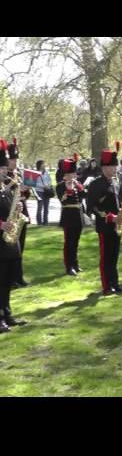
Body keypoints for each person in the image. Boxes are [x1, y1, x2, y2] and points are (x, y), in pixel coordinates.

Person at [86, 142, 122, 296]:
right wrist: (110, 217)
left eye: (115, 166)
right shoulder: (95, 184)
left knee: (114, 256)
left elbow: (118, 200)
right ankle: (107, 286)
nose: (115, 169)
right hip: (105, 225)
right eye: (113, 166)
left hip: (117, 224)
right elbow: (91, 207)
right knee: (106, 257)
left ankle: (115, 283)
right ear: (105, 168)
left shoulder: (116, 182)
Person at [0, 139, 27, 332]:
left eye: (4, 168)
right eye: (1, 169)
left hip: (9, 242)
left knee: (8, 279)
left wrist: (17, 208)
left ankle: (7, 313)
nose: (4, 171)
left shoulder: (6, 190)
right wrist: (2, 224)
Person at [56, 158, 86, 276]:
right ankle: (69, 266)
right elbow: (62, 200)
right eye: (72, 174)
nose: (75, 175)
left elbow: (83, 195)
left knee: (76, 241)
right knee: (69, 242)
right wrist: (68, 190)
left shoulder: (77, 184)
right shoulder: (60, 186)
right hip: (68, 215)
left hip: (78, 215)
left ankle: (75, 263)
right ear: (66, 175)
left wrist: (80, 187)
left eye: (75, 173)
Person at [6, 138, 29, 287]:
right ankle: (11, 278)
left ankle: (19, 276)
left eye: (16, 159)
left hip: (21, 213)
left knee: (20, 247)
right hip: (9, 214)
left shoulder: (18, 174)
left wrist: (26, 191)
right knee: (10, 249)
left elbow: (25, 196)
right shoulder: (4, 176)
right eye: (12, 159)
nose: (15, 162)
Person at [35, 159, 53, 226]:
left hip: (47, 192)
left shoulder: (46, 172)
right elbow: (35, 183)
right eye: (43, 164)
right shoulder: (36, 172)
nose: (44, 165)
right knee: (40, 207)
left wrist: (48, 185)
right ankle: (39, 222)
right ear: (39, 165)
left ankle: (46, 222)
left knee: (46, 208)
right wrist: (43, 186)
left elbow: (49, 180)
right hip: (39, 191)